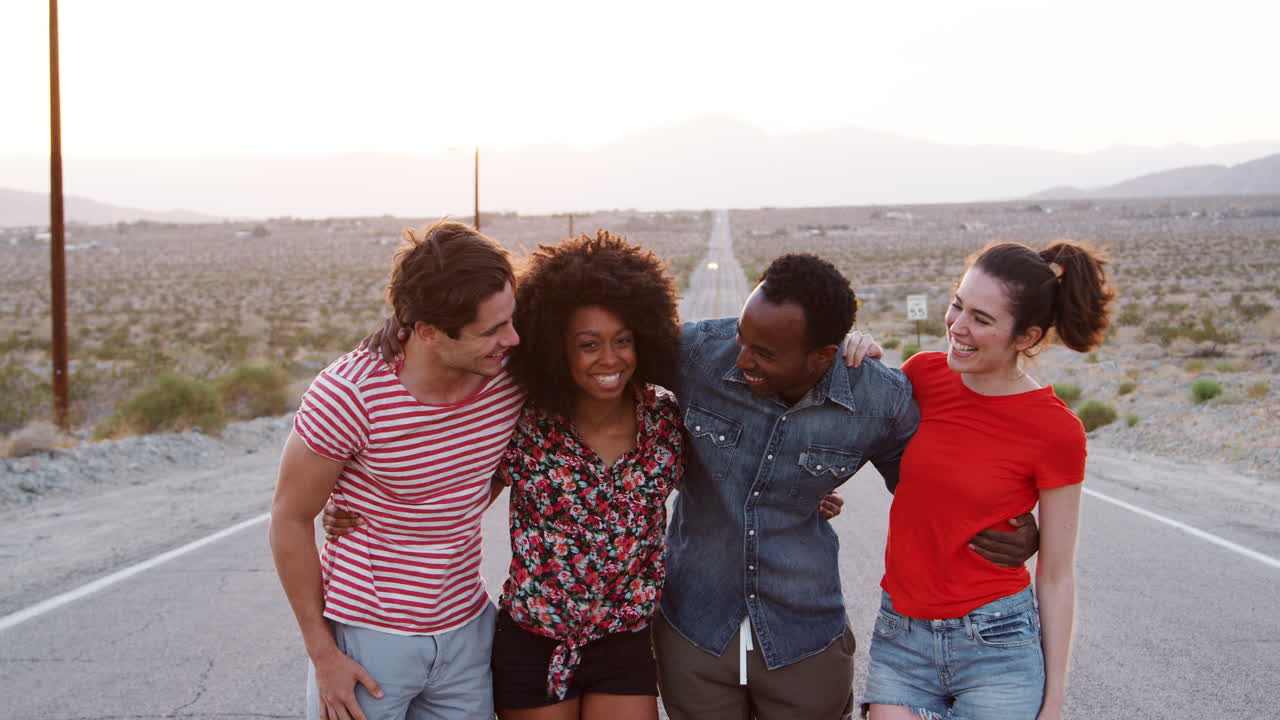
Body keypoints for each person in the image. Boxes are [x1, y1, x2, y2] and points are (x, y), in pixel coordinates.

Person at [652, 253, 1039, 720]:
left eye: (766, 353)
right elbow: (599, 367)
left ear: (823, 355)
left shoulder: (879, 399)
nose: (742, 358)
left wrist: (1010, 523)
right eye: (742, 336)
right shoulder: (697, 353)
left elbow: (931, 491)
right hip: (694, 628)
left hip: (803, 636)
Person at [269, 220, 521, 720]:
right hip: (367, 643)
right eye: (491, 330)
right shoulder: (349, 394)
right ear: (426, 330)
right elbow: (289, 519)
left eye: (510, 319)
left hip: (468, 633)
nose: (511, 339)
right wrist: (324, 656)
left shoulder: (509, 378)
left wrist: (414, 516)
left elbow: (497, 471)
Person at [858, 241, 1114, 720]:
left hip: (996, 642)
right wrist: (861, 357)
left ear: (1025, 336)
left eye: (981, 318)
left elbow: (1057, 575)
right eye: (957, 305)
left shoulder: (1056, 430)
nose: (957, 327)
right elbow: (850, 433)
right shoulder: (922, 376)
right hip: (902, 638)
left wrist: (1054, 701)